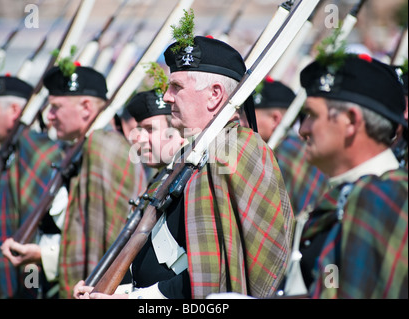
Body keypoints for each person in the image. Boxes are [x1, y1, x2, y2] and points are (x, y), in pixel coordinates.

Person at [79, 33, 294, 299]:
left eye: (177, 87)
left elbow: (223, 275)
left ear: (214, 95)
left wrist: (134, 298)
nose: (167, 97)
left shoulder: (238, 148)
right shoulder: (188, 155)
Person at [0, 64, 147, 299]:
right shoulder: (79, 149)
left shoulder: (104, 147)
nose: (49, 116)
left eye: (56, 107)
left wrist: (43, 255)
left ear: (86, 108)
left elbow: (110, 245)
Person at [282, 52, 408, 298]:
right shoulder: (357, 192)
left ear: (351, 121)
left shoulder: (378, 197)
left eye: (312, 116)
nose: (303, 130)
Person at [73, 87, 184, 298]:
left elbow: (196, 276)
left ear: (179, 133)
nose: (139, 138)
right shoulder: (158, 181)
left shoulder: (191, 185)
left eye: (150, 129)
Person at [0, 74, 63, 299]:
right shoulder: (8, 154)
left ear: (14, 111)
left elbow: (42, 228)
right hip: (5, 273)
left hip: (36, 273)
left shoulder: (39, 153)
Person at [253, 76, 329, 215]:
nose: (241, 121)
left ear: (275, 120)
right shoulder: (293, 149)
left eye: (248, 115)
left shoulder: (281, 153)